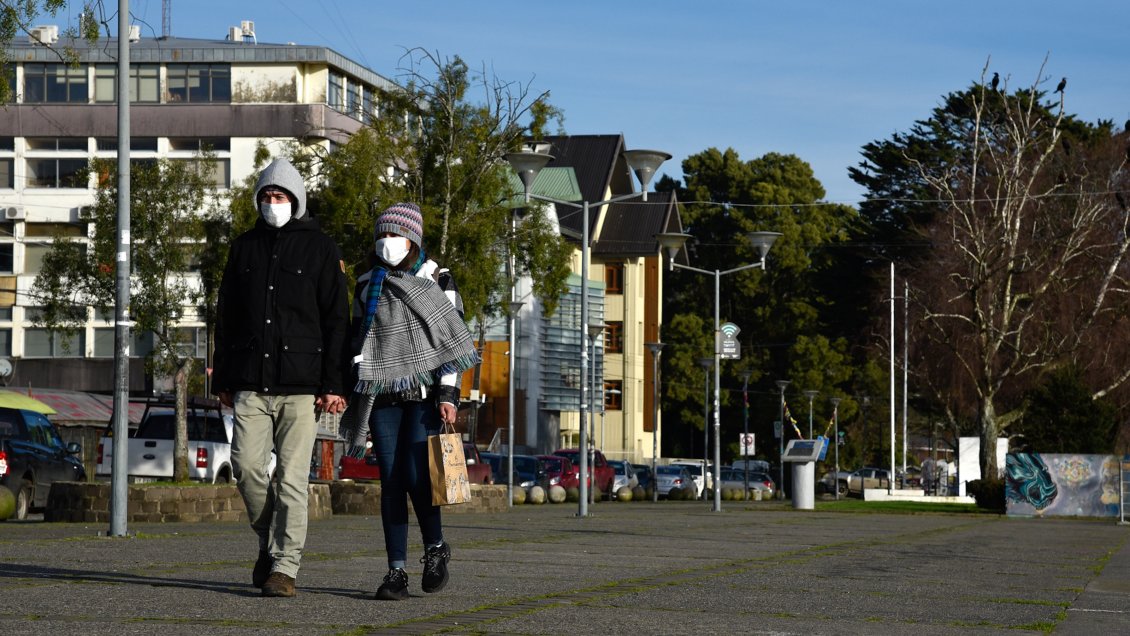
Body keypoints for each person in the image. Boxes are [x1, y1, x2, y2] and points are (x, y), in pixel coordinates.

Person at [212, 158, 349, 598]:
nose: (274, 204)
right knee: (246, 467)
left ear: (297, 200)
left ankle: (284, 567)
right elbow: (226, 316)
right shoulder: (243, 247)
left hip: (302, 386)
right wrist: (223, 378)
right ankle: (272, 544)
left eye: (281, 197)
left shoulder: (321, 249)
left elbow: (336, 321)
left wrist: (334, 384)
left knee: (292, 479)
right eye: (267, 196)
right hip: (250, 381)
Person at [341, 202, 479, 601]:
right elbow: (357, 338)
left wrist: (449, 395)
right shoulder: (368, 283)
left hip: (424, 397)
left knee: (419, 477)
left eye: (396, 235)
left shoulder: (436, 278)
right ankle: (395, 571)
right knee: (391, 481)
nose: (388, 243)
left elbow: (451, 341)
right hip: (381, 395)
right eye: (381, 235)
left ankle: (435, 547)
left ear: (413, 239)